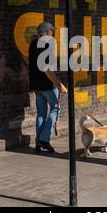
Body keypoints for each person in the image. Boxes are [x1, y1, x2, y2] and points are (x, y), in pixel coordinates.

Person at [29, 22, 68, 153]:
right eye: (51, 32)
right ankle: (44, 139)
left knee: (41, 113)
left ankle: (38, 142)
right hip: (48, 85)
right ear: (47, 32)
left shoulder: (33, 44)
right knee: (55, 109)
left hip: (36, 85)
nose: (52, 34)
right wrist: (59, 84)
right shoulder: (47, 46)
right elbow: (47, 70)